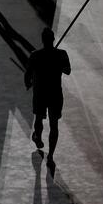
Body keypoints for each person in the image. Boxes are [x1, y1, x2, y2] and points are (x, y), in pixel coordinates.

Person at [25, 28, 71, 170]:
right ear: (53, 39)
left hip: (40, 93)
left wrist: (28, 83)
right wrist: (57, 63)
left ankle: (38, 137)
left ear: (43, 40)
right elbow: (68, 70)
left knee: (39, 118)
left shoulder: (35, 55)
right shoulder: (61, 54)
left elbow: (27, 74)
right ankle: (50, 155)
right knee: (54, 125)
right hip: (55, 94)